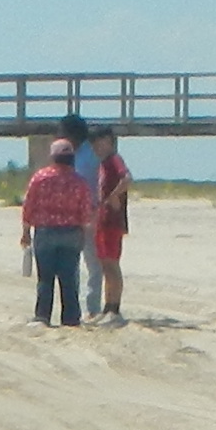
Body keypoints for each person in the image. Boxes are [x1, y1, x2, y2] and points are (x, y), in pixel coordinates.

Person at [20, 137, 93, 326]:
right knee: (69, 278)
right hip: (71, 233)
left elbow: (29, 206)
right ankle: (70, 317)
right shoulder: (80, 182)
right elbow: (85, 212)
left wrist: (26, 231)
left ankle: (43, 315)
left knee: (45, 277)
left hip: (45, 232)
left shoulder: (40, 178)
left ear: (53, 157)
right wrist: (83, 233)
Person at [86, 129, 133, 322]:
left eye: (98, 142)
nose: (95, 147)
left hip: (113, 222)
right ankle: (107, 307)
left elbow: (127, 178)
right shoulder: (103, 164)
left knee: (112, 265)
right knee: (105, 264)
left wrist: (114, 196)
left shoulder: (114, 159)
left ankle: (115, 308)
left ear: (107, 141)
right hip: (103, 221)